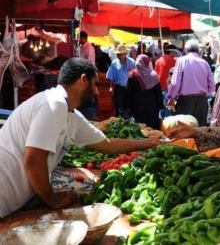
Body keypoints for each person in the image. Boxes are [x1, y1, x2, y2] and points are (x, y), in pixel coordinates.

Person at [0, 58, 161, 218]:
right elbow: (33, 161)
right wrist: (54, 200)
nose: (98, 92)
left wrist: (149, 142)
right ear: (83, 80)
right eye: (96, 84)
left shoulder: (71, 115)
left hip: (11, 200)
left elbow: (107, 145)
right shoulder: (53, 105)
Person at [166, 40, 215, 126]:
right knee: (200, 131)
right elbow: (212, 85)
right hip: (202, 101)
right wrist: (204, 94)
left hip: (186, 101)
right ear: (197, 50)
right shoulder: (204, 63)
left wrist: (171, 97)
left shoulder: (181, 61)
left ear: (185, 50)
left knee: (184, 131)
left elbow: (175, 83)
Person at [125, 54, 164, 129]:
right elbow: (158, 93)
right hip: (152, 106)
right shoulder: (153, 75)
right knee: (153, 128)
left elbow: (128, 93)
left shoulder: (132, 75)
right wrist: (161, 106)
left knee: (141, 128)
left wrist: (127, 107)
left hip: (137, 107)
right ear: (147, 62)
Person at [106, 45, 136, 117]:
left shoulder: (132, 62)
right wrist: (111, 87)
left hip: (130, 88)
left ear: (125, 54)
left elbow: (137, 75)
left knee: (129, 105)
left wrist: (133, 70)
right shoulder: (114, 63)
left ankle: (129, 120)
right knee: (119, 106)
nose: (118, 56)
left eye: (120, 54)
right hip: (119, 88)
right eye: (118, 54)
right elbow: (110, 76)